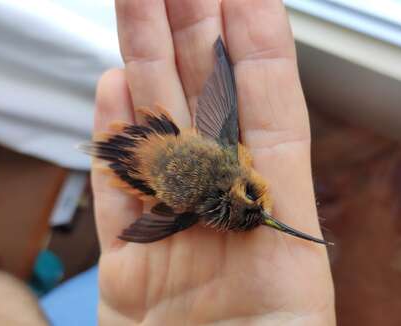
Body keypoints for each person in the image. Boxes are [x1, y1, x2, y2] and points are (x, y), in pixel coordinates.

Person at [92, 0, 335, 324]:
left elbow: (223, 109)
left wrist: (223, 66)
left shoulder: (230, 156)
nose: (266, 206)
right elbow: (172, 218)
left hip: (167, 145)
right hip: (158, 172)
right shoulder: (196, 215)